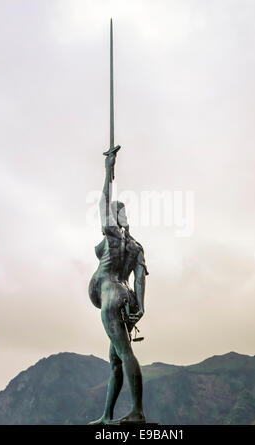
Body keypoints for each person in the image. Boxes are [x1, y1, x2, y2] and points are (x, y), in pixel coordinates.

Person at [88, 147, 148, 424]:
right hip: (126, 297)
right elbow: (140, 277)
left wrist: (107, 170)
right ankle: (107, 415)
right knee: (115, 360)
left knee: (124, 353)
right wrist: (142, 306)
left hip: (111, 296)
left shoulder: (112, 235)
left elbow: (102, 201)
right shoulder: (136, 246)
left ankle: (137, 411)